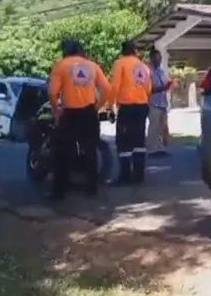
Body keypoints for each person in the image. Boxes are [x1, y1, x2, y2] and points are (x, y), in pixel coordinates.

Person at [48, 38, 111, 200]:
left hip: (69, 114)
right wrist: (97, 106)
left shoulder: (61, 66)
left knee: (61, 152)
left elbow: (52, 92)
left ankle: (59, 191)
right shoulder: (92, 66)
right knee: (91, 150)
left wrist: (57, 108)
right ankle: (92, 188)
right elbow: (107, 88)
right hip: (89, 113)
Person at [110, 40, 152, 184]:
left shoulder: (120, 63)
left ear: (123, 51)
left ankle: (125, 174)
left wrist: (111, 106)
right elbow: (148, 89)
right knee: (139, 140)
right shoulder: (144, 67)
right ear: (135, 51)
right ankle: (139, 174)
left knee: (123, 140)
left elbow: (114, 86)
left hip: (127, 107)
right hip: (142, 106)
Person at [146, 49, 174, 158]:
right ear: (152, 59)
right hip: (154, 103)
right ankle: (152, 149)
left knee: (162, 126)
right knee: (154, 126)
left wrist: (169, 85)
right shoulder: (149, 72)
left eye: (160, 58)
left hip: (163, 102)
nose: (159, 60)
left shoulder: (161, 71)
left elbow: (165, 84)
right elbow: (150, 89)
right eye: (157, 58)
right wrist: (164, 87)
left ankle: (161, 148)